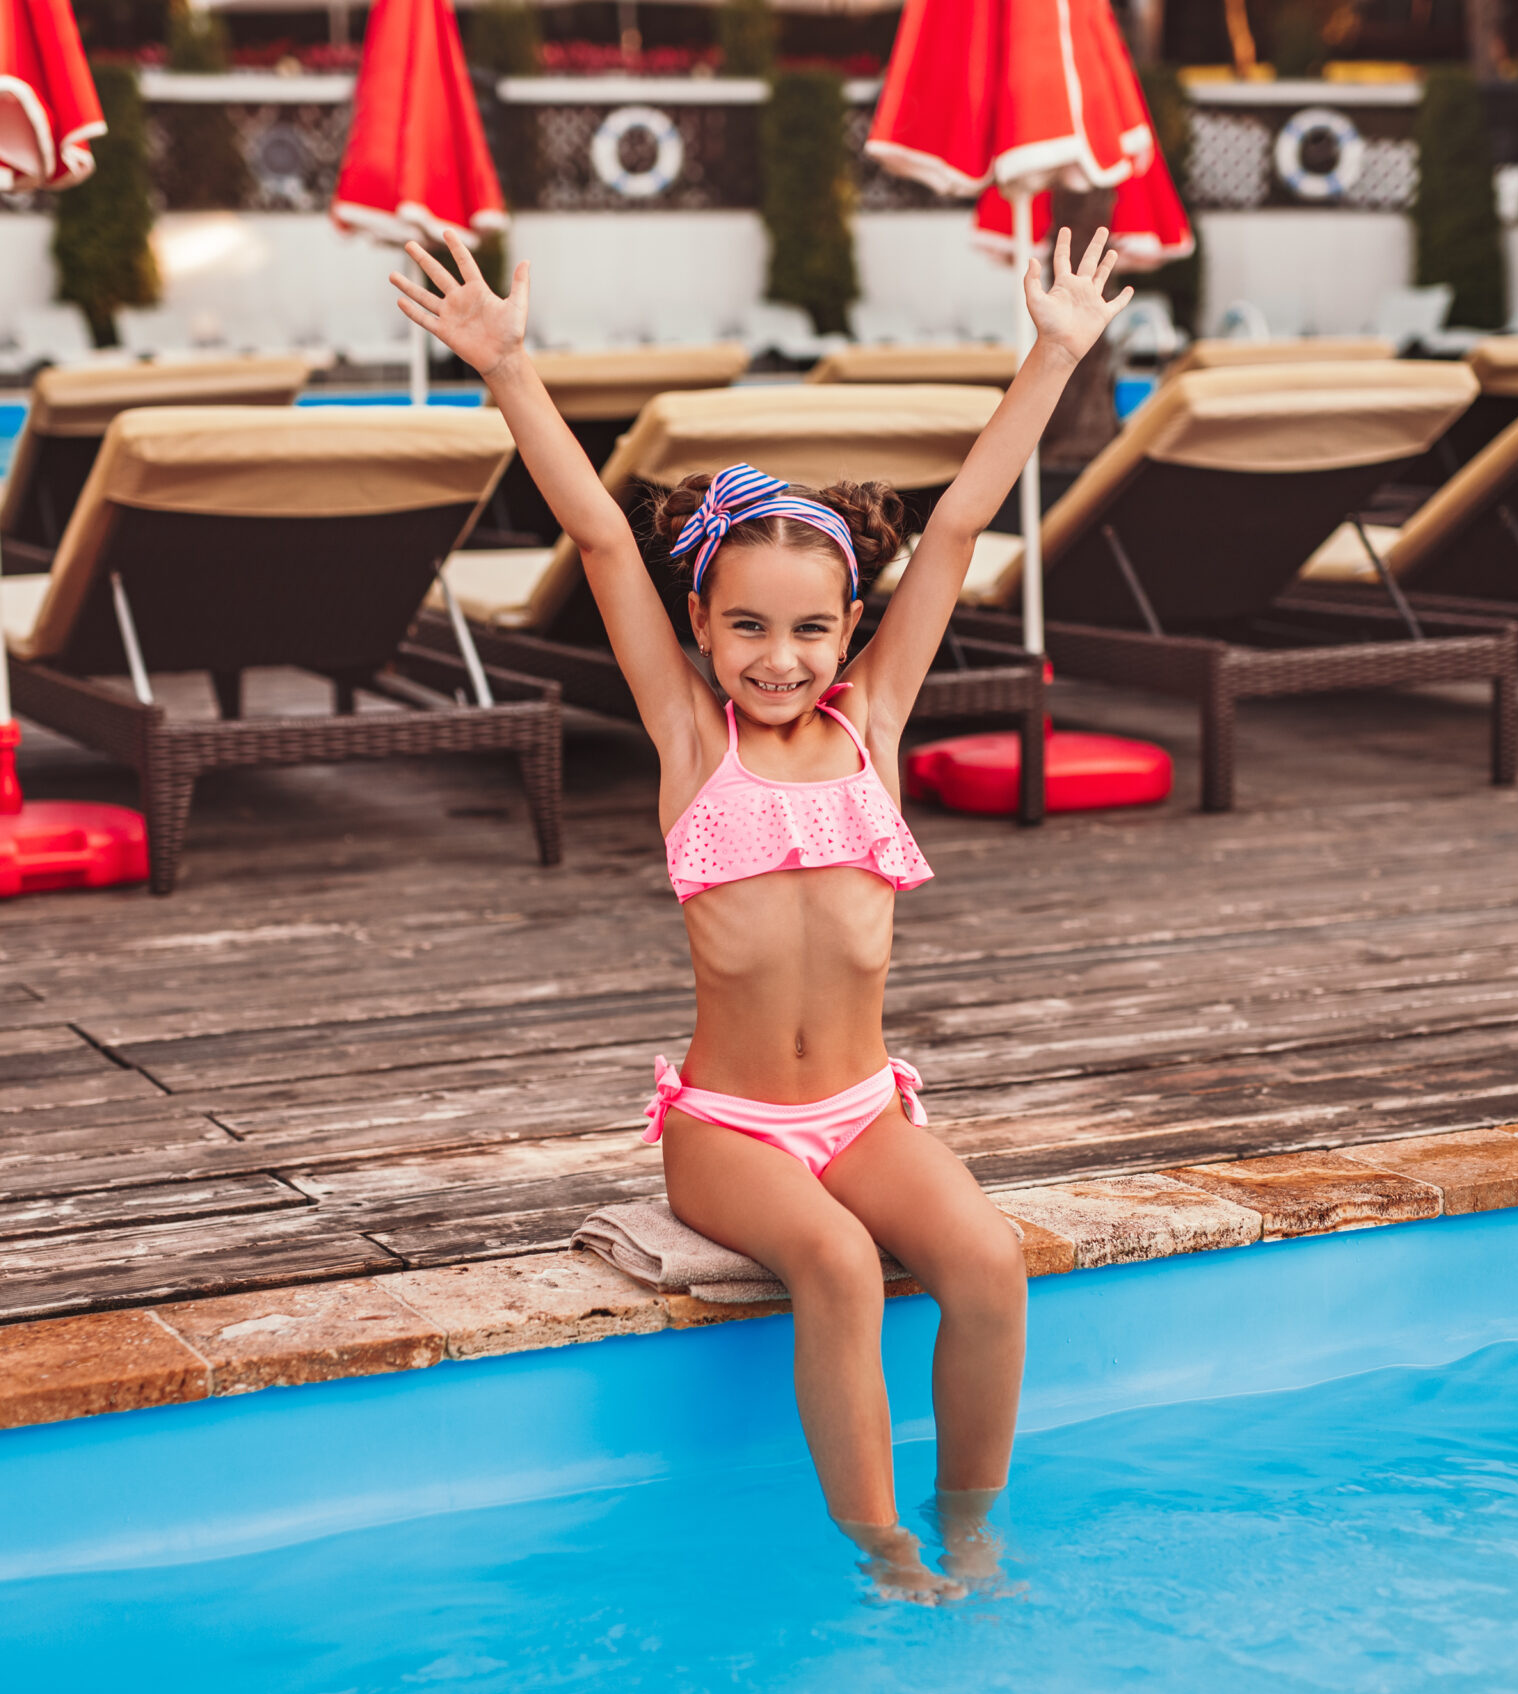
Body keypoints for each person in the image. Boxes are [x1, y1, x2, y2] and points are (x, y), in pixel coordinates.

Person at [394, 227, 1128, 1598]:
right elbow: (602, 534)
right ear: (704, 623)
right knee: (840, 1267)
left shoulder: (876, 721)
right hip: (728, 1127)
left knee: (986, 1259)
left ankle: (973, 1522)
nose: (779, 658)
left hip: (863, 1108)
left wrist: (1055, 353)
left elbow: (960, 520)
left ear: (853, 625)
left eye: (809, 629)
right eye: (745, 629)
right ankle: (883, 1544)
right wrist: (507, 369)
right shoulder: (689, 735)